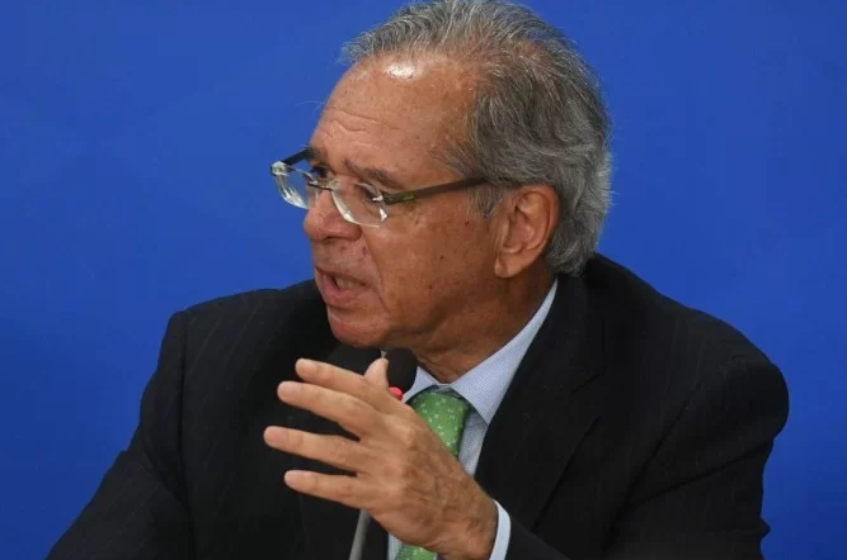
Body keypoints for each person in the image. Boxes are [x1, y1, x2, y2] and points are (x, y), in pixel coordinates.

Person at [48, 1, 789, 559]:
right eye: (320, 176)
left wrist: (480, 535)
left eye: (374, 194)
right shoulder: (221, 362)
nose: (320, 223)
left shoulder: (690, 397)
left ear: (518, 227)